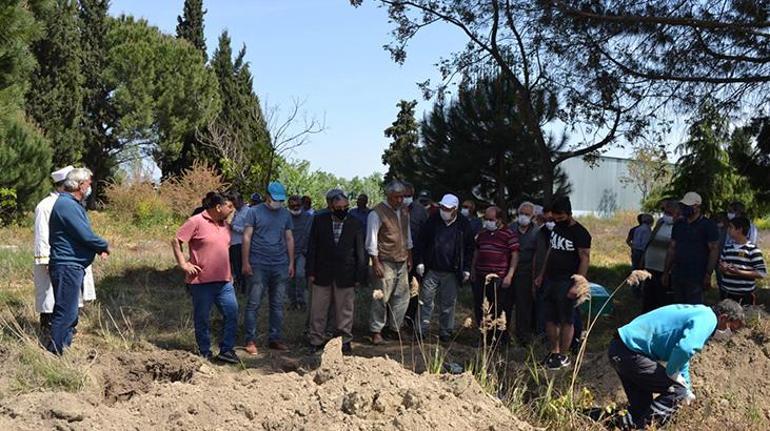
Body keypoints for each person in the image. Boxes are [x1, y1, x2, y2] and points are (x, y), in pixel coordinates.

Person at [607, 300, 744, 430]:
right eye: (731, 327)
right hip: (630, 352)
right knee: (677, 392)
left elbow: (683, 357)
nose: (729, 332)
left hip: (620, 349)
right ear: (724, 318)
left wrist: (688, 387)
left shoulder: (700, 313)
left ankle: (593, 417)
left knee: (641, 410)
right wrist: (672, 373)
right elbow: (685, 349)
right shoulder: (708, 319)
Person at [46, 168, 109, 354]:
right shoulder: (67, 205)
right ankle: (55, 353)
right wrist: (104, 245)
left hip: (71, 265)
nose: (90, 186)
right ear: (80, 185)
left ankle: (63, 349)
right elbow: (85, 235)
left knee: (69, 312)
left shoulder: (70, 204)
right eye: (89, 183)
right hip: (67, 265)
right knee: (66, 312)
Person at [173, 192, 239, 363]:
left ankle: (227, 350)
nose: (232, 210)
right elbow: (176, 241)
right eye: (229, 206)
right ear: (219, 207)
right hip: (201, 282)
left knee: (232, 313)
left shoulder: (226, 226)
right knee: (202, 318)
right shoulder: (196, 221)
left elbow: (225, 250)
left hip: (224, 281)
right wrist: (183, 264)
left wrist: (230, 272)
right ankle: (205, 352)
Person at [34, 166, 96, 337]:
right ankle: (50, 334)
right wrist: (45, 260)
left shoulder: (74, 204)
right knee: (51, 299)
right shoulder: (46, 206)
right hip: (56, 261)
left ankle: (67, 332)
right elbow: (42, 235)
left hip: (73, 260)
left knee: (70, 299)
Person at [306, 192, 366, 354]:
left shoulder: (355, 223)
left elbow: (361, 252)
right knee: (318, 309)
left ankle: (344, 340)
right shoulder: (319, 221)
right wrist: (310, 272)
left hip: (346, 274)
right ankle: (316, 340)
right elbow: (312, 248)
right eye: (338, 208)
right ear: (331, 207)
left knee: (345, 310)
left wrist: (359, 276)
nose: (342, 210)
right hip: (322, 273)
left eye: (345, 207)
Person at [534, 197, 591, 370]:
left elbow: (585, 258)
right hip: (551, 279)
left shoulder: (581, 233)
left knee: (567, 320)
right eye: (555, 218)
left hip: (568, 281)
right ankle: (554, 353)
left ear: (569, 214)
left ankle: (564, 356)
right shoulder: (557, 228)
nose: (557, 221)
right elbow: (551, 251)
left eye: (560, 217)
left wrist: (578, 284)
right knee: (550, 319)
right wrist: (542, 274)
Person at [242, 181, 294, 353]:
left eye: (280, 200)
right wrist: (245, 262)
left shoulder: (285, 214)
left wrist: (291, 262)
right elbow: (247, 237)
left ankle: (275, 338)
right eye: (274, 199)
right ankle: (250, 340)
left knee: (277, 304)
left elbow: (289, 238)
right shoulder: (253, 212)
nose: (277, 202)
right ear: (267, 196)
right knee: (254, 303)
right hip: (258, 264)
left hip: (280, 264)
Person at [414, 194, 474, 342]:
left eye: (447, 209)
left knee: (448, 304)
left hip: (452, 271)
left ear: (455, 209)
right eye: (442, 207)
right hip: (432, 269)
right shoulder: (433, 220)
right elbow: (421, 242)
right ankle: (421, 330)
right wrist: (420, 261)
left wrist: (466, 268)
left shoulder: (463, 224)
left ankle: (445, 331)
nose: (444, 211)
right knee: (425, 301)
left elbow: (469, 248)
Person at [367, 180, 413, 345]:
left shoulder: (404, 212)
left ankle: (395, 328)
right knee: (381, 297)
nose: (400, 200)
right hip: (385, 261)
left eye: (402, 197)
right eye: (396, 197)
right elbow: (371, 240)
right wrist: (375, 262)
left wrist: (410, 256)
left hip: (401, 260)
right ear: (389, 196)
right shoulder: (377, 213)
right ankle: (376, 330)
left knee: (402, 296)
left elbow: (407, 237)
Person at [472, 205, 519, 345]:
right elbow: (477, 252)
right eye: (485, 219)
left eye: (490, 219)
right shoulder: (482, 234)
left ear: (498, 219)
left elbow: (515, 255)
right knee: (481, 307)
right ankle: (484, 336)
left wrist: (509, 275)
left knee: (498, 308)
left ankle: (499, 338)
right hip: (481, 276)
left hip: (499, 277)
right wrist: (473, 270)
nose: (487, 222)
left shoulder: (509, 234)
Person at [663, 192, 719, 305]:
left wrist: (708, 274)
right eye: (684, 205)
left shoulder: (708, 225)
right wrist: (666, 272)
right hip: (678, 274)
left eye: (688, 206)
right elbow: (672, 249)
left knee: (693, 308)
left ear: (697, 206)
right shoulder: (679, 224)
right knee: (678, 306)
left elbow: (714, 250)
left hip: (697, 276)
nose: (685, 208)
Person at [507, 201, 540, 344]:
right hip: (508, 272)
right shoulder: (510, 228)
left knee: (524, 306)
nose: (523, 217)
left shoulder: (537, 232)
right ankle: (503, 335)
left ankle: (523, 337)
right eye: (522, 214)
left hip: (526, 274)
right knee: (506, 304)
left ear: (533, 216)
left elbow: (538, 255)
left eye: (527, 214)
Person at [641, 200, 679, 312]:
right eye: (665, 212)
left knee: (663, 298)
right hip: (650, 266)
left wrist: (667, 272)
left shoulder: (679, 227)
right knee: (648, 297)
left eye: (670, 213)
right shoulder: (661, 222)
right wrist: (643, 258)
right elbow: (651, 240)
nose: (666, 215)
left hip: (665, 270)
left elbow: (674, 250)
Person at [718, 216, 766, 305]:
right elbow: (720, 267)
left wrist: (739, 272)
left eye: (731, 227)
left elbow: (761, 273)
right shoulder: (727, 247)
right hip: (727, 292)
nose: (728, 229)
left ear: (739, 229)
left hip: (745, 295)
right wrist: (723, 268)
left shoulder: (753, 250)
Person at [403, 182, 429, 329]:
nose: (405, 199)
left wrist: (421, 260)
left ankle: (410, 319)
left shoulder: (420, 211)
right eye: (403, 196)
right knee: (397, 291)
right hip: (398, 257)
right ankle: (394, 320)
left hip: (416, 256)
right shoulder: (394, 209)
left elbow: (425, 236)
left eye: (408, 196)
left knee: (413, 289)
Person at [287, 195, 313, 310]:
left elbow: (310, 235)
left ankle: (301, 301)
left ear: (301, 205)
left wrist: (306, 250)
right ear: (289, 206)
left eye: (298, 205)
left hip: (302, 252)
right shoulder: (285, 217)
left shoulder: (308, 217)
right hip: (288, 253)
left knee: (300, 275)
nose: (295, 207)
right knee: (289, 278)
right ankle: (292, 301)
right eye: (293, 206)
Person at [229, 192, 249, 292]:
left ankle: (244, 288)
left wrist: (233, 227)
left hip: (242, 243)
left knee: (242, 267)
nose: (234, 205)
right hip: (234, 243)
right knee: (236, 267)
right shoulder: (237, 212)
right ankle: (239, 285)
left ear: (241, 200)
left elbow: (248, 230)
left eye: (235, 203)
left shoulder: (248, 211)